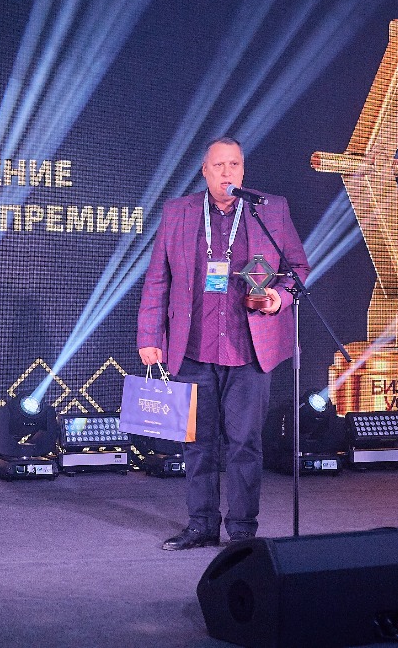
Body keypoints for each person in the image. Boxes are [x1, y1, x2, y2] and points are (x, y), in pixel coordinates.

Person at [138, 137, 309, 550]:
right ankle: (201, 525)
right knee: (197, 444)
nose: (227, 172)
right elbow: (158, 278)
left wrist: (279, 297)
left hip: (249, 349)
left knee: (244, 444)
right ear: (205, 171)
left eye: (234, 164)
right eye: (219, 165)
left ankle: (242, 531)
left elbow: (296, 269)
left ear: (243, 171)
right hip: (192, 347)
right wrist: (149, 336)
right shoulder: (178, 212)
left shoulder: (270, 209)